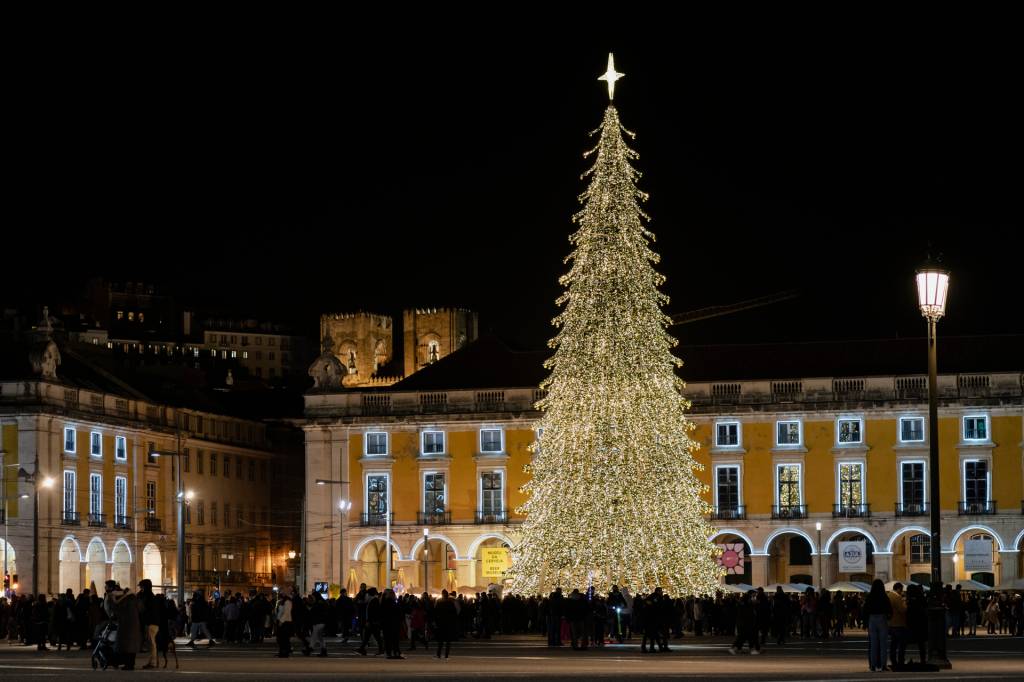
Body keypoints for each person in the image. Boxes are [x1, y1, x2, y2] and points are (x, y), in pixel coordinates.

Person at [105, 581, 141, 671]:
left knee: (126, 646)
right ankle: (130, 664)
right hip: (134, 625)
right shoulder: (134, 599)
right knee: (131, 647)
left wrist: (113, 600)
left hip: (126, 625)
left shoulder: (126, 601)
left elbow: (117, 609)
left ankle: (128, 665)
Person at [863, 579, 892, 672]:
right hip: (882, 618)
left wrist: (865, 622)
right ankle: (883, 665)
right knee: (883, 644)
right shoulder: (884, 596)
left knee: (873, 644)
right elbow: (889, 609)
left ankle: (873, 665)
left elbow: (865, 609)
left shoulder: (870, 597)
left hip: (872, 619)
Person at [138, 579, 160, 669]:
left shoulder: (147, 597)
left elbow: (143, 609)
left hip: (151, 623)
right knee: (152, 644)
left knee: (152, 644)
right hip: (152, 622)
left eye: (141, 587)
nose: (140, 588)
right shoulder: (151, 596)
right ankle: (152, 662)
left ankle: (153, 663)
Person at [887, 583, 908, 670]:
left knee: (893, 644)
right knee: (901, 644)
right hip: (899, 623)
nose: (902, 592)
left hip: (891, 623)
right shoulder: (897, 597)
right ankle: (900, 660)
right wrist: (905, 602)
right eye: (901, 590)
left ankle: (893, 659)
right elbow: (903, 610)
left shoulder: (889, 595)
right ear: (899, 589)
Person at [434, 589, 457, 659]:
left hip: (441, 623)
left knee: (440, 640)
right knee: (448, 640)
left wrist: (436, 622)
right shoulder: (451, 603)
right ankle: (446, 655)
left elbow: (435, 613)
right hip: (448, 623)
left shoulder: (439, 602)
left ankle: (438, 654)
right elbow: (454, 613)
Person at [274, 593, 293, 658]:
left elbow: (286, 612)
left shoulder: (288, 602)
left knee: (284, 638)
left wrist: (281, 621)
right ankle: (282, 651)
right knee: (281, 638)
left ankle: (284, 652)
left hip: (285, 622)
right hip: (282, 621)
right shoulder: (282, 602)